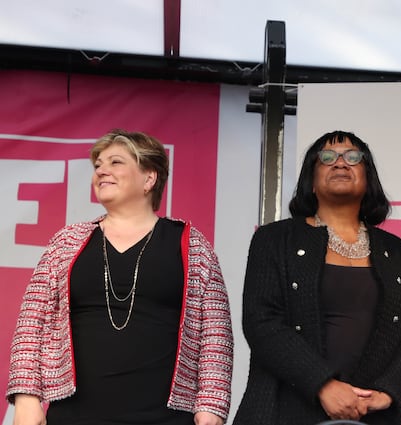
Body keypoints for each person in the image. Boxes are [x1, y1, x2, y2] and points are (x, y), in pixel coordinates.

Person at [6, 130, 234, 425]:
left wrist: (212, 406)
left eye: (116, 162)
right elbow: (31, 324)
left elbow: (215, 332)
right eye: (98, 164)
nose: (101, 170)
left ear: (149, 178)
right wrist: (26, 398)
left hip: (166, 417)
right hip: (75, 415)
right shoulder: (66, 241)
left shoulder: (191, 244)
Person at [233, 130, 401, 425]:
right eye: (327, 157)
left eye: (353, 157)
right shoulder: (274, 240)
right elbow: (261, 321)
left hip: (370, 416)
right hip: (282, 410)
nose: (340, 163)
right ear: (311, 181)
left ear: (367, 179)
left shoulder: (398, 252)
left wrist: (389, 392)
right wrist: (322, 384)